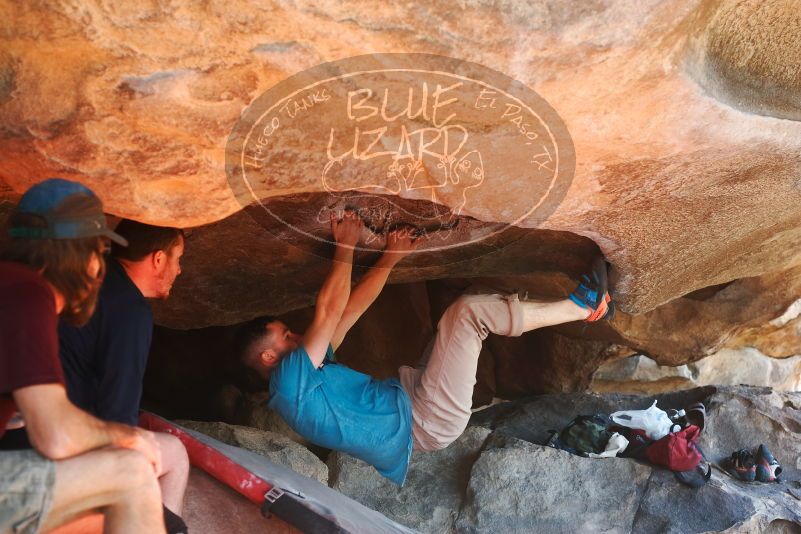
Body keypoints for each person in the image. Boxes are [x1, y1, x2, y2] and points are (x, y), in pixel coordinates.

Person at [240, 210, 614, 485]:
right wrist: (345, 245)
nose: (295, 336)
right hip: (424, 419)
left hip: (415, 398)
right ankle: (580, 306)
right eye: (285, 335)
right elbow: (329, 308)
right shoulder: (290, 384)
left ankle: (585, 303)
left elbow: (349, 311)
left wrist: (391, 257)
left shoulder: (309, 378)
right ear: (268, 358)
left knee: (473, 298)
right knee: (468, 315)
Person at [0, 178, 166, 533]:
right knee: (131, 473)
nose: (99, 269)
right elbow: (56, 435)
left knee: (92, 517)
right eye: (100, 251)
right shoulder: (28, 295)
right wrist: (128, 436)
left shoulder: (10, 286)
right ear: (82, 254)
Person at [58, 220, 189, 527]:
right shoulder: (130, 311)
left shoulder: (86, 277)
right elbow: (118, 413)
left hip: (27, 412)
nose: (180, 271)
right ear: (158, 259)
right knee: (174, 452)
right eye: (178, 260)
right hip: (63, 441)